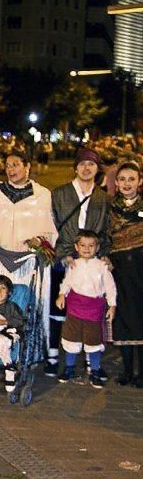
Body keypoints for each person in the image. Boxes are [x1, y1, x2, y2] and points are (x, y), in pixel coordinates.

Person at [0, 151, 57, 374]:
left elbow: (47, 228)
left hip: (26, 261)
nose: (11, 169)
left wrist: (38, 240)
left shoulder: (41, 194)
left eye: (16, 165)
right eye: (7, 165)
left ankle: (24, 351)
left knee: (23, 303)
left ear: (27, 166)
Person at [49, 148, 112, 367]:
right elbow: (51, 227)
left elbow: (106, 231)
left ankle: (90, 357)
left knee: (90, 309)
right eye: (82, 164)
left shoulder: (103, 198)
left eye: (91, 164)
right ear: (75, 167)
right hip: (65, 257)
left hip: (91, 261)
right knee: (59, 308)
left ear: (97, 169)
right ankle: (54, 355)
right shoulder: (59, 194)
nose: (86, 168)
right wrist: (62, 254)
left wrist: (101, 255)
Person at [56, 230, 116, 388]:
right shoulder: (74, 265)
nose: (87, 248)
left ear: (97, 248)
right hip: (75, 308)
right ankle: (69, 368)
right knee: (71, 338)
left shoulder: (102, 266)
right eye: (83, 245)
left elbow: (110, 287)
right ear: (76, 247)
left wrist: (112, 305)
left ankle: (94, 371)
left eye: (91, 245)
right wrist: (62, 295)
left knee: (93, 340)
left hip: (94, 309)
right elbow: (67, 282)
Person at [108, 161, 143, 386]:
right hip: (118, 270)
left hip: (141, 268)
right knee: (122, 318)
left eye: (131, 179)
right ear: (117, 183)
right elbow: (103, 237)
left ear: (140, 182)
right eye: (122, 179)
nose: (127, 184)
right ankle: (127, 370)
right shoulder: (109, 208)